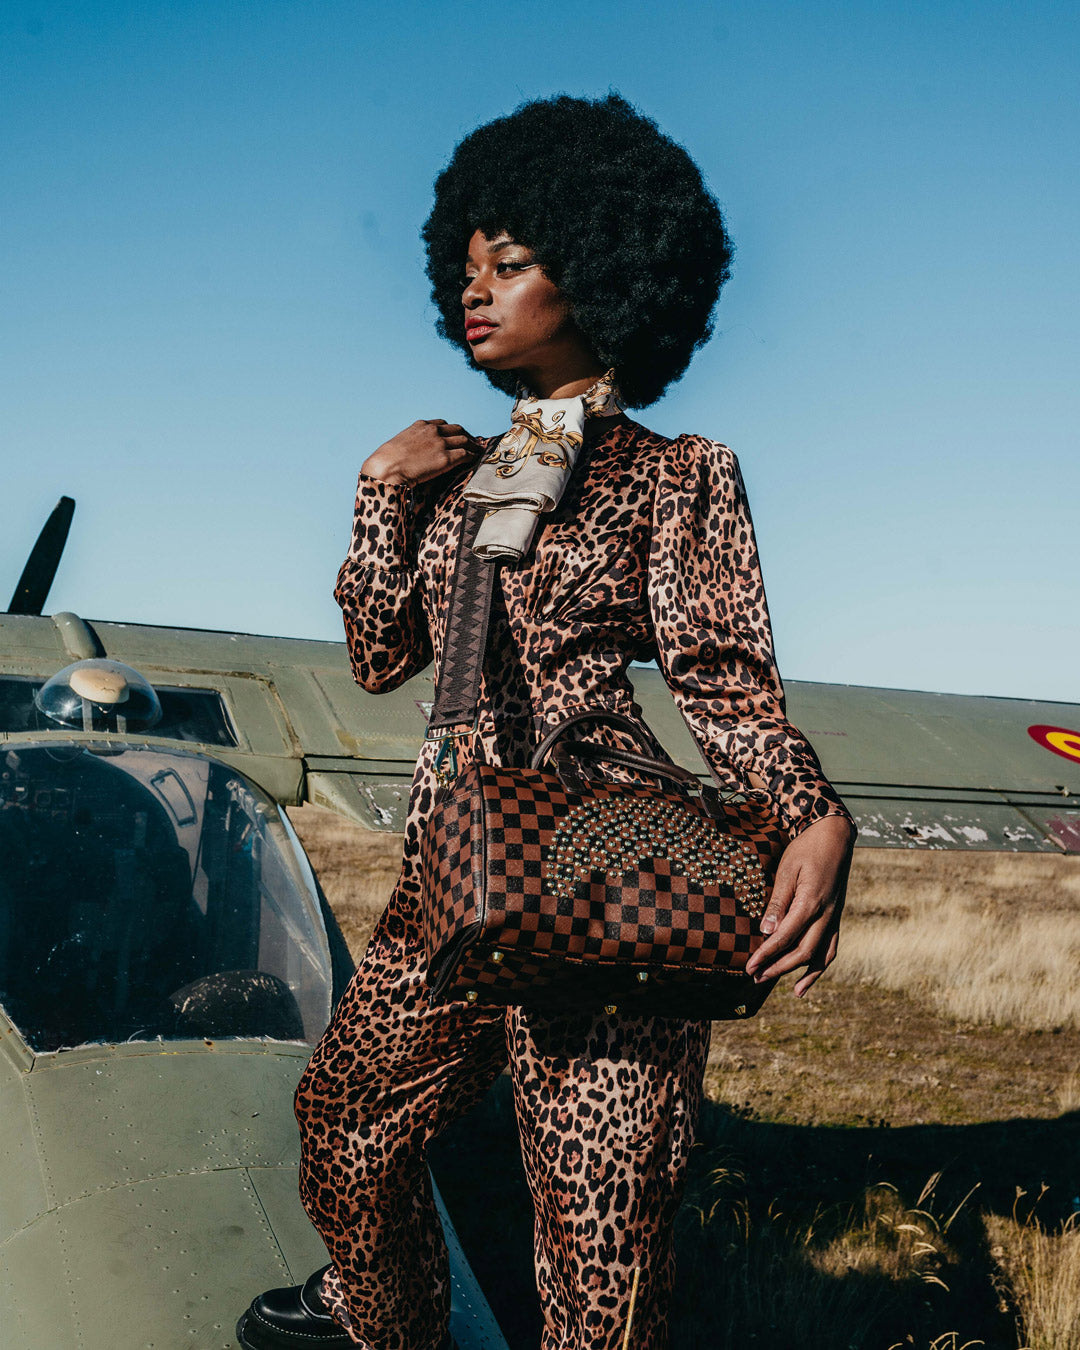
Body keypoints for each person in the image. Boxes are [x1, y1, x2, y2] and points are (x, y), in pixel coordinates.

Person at [237, 93, 855, 1350]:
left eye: (510, 264)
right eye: (467, 270)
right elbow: (379, 656)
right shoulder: (455, 473)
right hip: (452, 867)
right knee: (346, 1127)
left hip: (602, 867)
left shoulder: (677, 473)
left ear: (601, 275)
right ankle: (386, 1319)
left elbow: (721, 671)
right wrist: (380, 492)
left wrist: (811, 811)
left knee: (599, 1238)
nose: (477, 291)